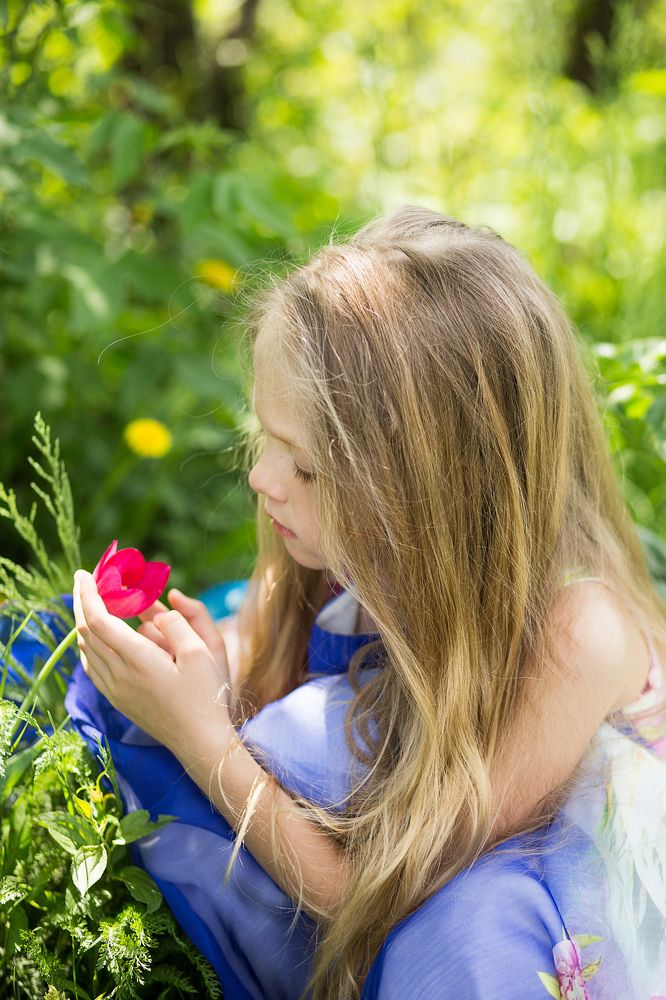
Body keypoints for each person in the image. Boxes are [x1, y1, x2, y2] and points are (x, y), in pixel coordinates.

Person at [67, 206, 666, 999]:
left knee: (463, 938)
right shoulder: (368, 548)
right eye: (265, 435)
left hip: (523, 902)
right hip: (427, 819)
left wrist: (200, 734)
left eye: (307, 469)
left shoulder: (581, 634)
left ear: (434, 493)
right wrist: (221, 691)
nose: (262, 479)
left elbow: (370, 896)